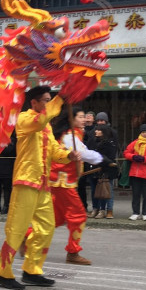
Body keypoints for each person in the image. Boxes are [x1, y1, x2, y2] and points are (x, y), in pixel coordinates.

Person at [0, 86, 77, 290]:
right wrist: (60, 99)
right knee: (17, 229)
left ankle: (32, 269)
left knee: (46, 228)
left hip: (42, 184)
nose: (48, 103)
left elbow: (54, 150)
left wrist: (68, 155)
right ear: (34, 102)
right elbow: (39, 122)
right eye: (46, 100)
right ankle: (3, 272)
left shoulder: (46, 126)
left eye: (50, 100)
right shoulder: (24, 119)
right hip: (25, 181)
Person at [48, 109, 104, 266]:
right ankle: (73, 252)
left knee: (55, 219)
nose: (84, 119)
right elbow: (84, 154)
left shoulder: (74, 134)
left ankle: (28, 236)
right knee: (79, 216)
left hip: (61, 181)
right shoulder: (69, 136)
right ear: (70, 119)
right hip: (62, 182)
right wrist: (103, 160)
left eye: (84, 116)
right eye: (80, 117)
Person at [88, 111, 119, 218]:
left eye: (102, 120)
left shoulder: (111, 134)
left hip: (106, 166)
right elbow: (89, 149)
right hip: (94, 166)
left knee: (105, 189)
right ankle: (95, 208)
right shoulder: (92, 132)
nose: (100, 123)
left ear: (106, 121)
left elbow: (113, 150)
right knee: (94, 189)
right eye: (98, 120)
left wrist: (108, 162)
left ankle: (105, 209)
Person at [0, 133, 16, 214]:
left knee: (7, 188)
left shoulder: (12, 139)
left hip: (7, 167)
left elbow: (8, 150)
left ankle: (6, 206)